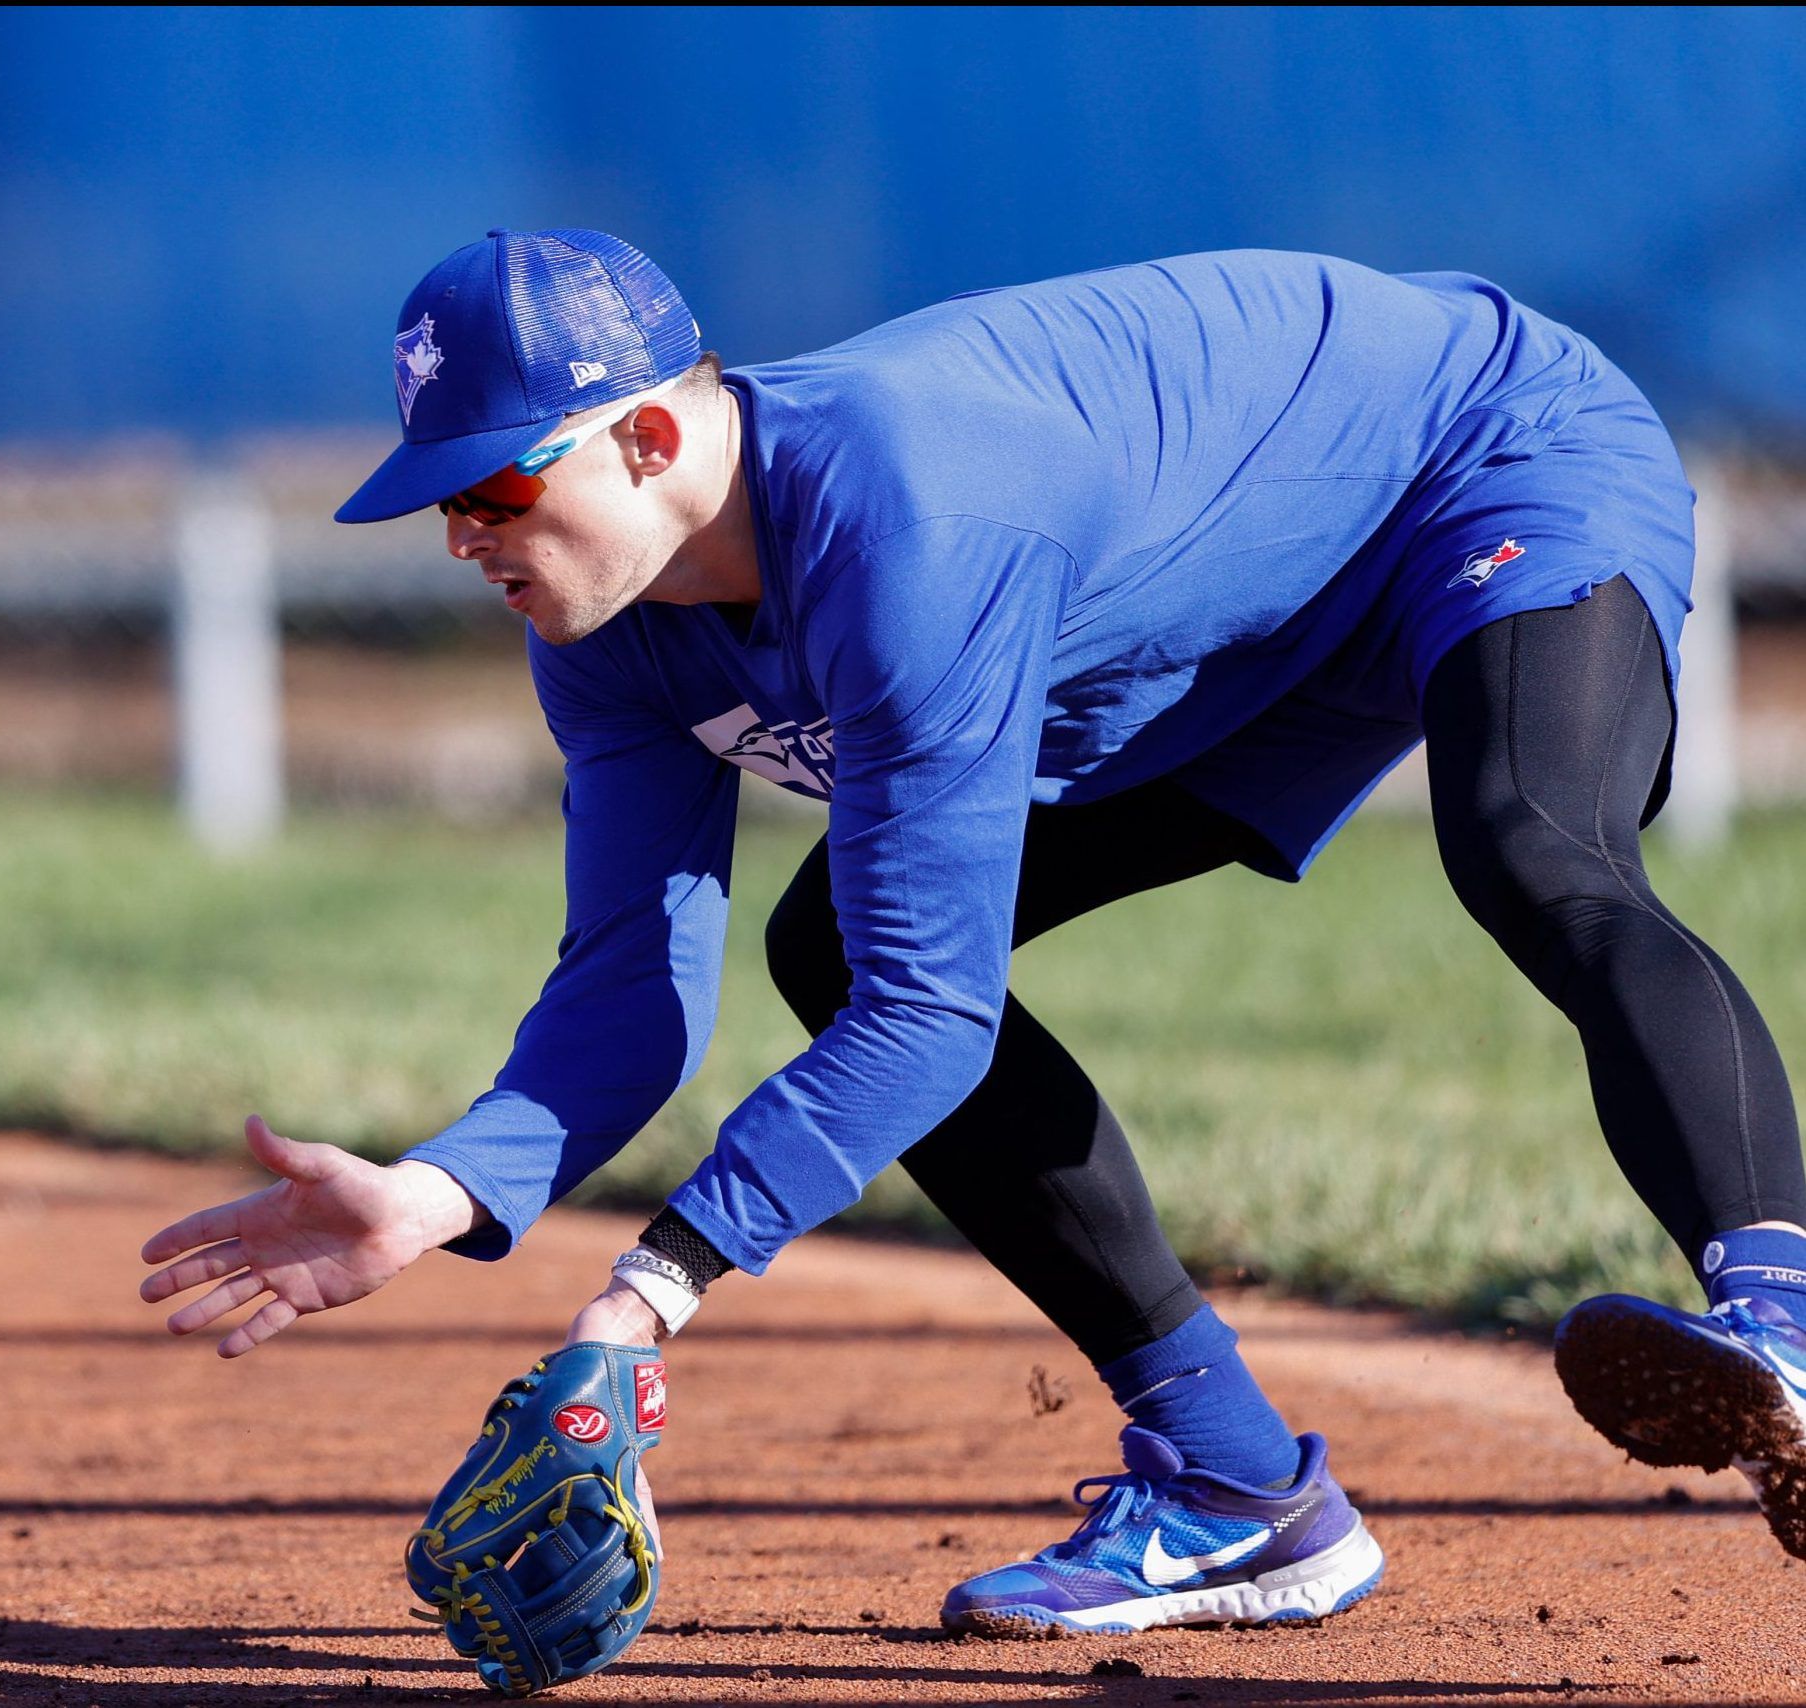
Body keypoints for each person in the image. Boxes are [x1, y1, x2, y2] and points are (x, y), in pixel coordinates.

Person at [140, 229, 1806, 1637]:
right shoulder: (605, 632)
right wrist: (437, 1192)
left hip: (1479, 452)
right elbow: (630, 981)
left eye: (497, 487)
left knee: (1530, 842)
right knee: (833, 951)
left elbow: (931, 1018)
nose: (463, 539)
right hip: (1212, 613)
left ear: (647, 441)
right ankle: (1230, 1482)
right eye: (442, 503)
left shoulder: (906, 521)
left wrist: (641, 1303)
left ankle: (1781, 1323)